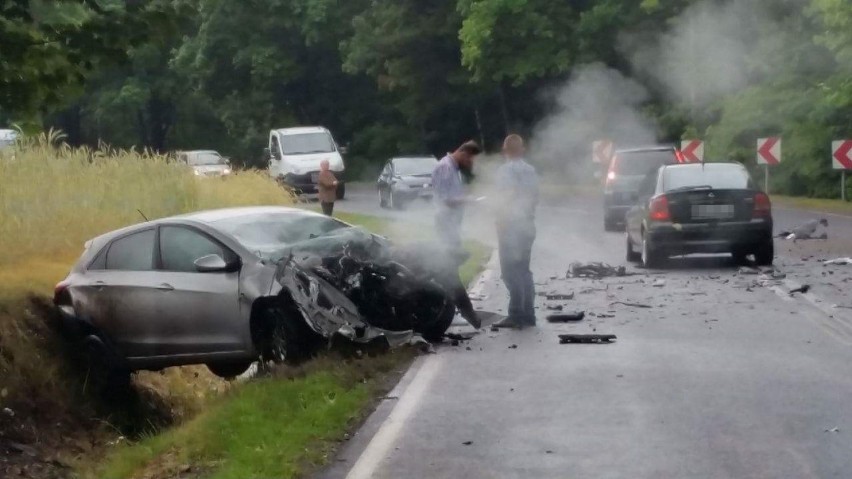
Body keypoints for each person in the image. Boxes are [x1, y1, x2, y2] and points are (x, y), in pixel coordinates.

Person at [432, 140, 483, 329]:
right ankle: (460, 313)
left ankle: (461, 312)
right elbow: (447, 200)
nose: (471, 165)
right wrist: (471, 200)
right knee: (449, 270)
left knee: (450, 268)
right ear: (464, 154)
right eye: (471, 161)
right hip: (446, 224)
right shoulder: (445, 168)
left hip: (451, 225)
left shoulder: (452, 169)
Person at [492, 134, 539, 329]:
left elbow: (506, 197)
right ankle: (529, 313)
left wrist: (501, 221)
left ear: (505, 151)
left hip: (511, 226)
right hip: (528, 224)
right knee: (524, 270)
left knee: (510, 271)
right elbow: (535, 197)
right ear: (522, 150)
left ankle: (516, 314)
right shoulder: (531, 170)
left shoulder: (505, 171)